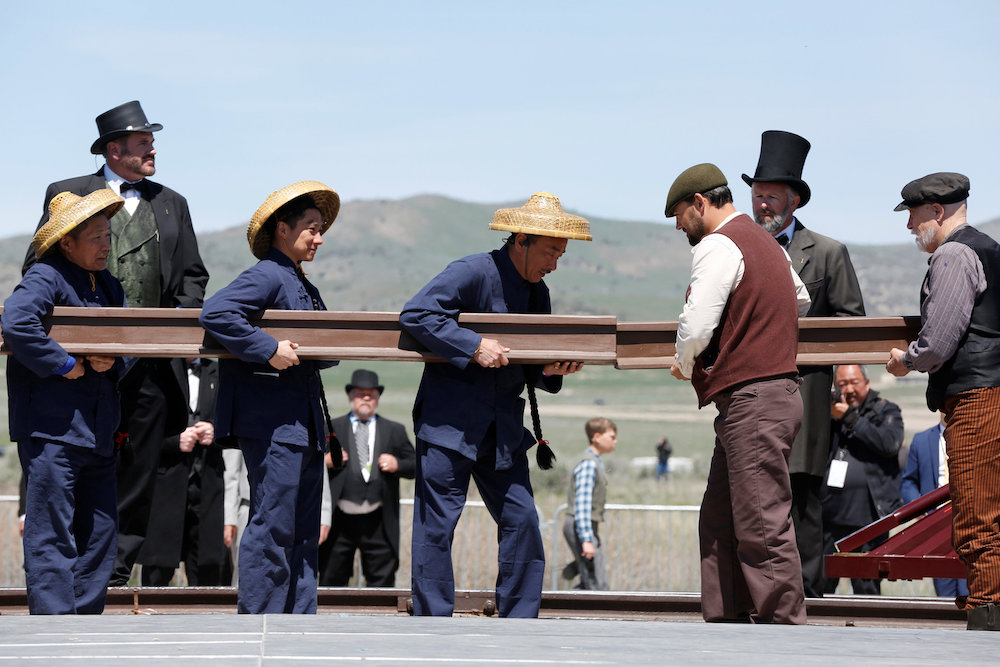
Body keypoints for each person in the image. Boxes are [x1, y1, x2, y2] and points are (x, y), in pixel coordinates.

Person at [26, 101, 209, 585]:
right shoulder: (67, 194)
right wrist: (75, 345)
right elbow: (37, 265)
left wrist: (167, 332)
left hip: (148, 360)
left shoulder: (173, 202)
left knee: (139, 465)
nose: (153, 148)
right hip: (83, 363)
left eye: (152, 140)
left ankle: (113, 569)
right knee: (79, 460)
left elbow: (192, 277)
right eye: (144, 141)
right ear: (114, 148)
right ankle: (68, 573)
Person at [399, 191, 588, 617]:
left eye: (561, 254)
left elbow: (531, 365)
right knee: (436, 526)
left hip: (502, 430)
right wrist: (472, 345)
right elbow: (416, 315)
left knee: (522, 520)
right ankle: (432, 620)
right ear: (521, 239)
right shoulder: (472, 271)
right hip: (449, 424)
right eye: (551, 252)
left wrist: (553, 371)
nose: (554, 264)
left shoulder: (539, 294)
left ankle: (519, 618)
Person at [665, 163, 811, 624]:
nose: (677, 226)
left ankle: (782, 632)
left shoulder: (718, 243)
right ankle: (728, 622)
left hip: (753, 400)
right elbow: (800, 298)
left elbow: (697, 323)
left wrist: (684, 361)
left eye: (679, 215)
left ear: (701, 203)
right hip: (766, 396)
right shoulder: (766, 242)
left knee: (761, 524)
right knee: (722, 519)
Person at [200, 180, 341, 613]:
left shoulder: (296, 279)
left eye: (320, 229)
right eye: (311, 228)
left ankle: (298, 618)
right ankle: (261, 619)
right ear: (283, 228)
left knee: (300, 528)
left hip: (301, 424)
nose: (318, 238)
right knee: (274, 522)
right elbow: (217, 312)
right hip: (275, 423)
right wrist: (269, 349)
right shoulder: (267, 274)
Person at [743, 130, 866, 598]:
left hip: (808, 394)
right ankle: (760, 595)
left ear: (794, 201)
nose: (762, 206)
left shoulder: (828, 253)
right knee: (753, 493)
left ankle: (811, 597)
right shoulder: (734, 249)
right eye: (756, 196)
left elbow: (852, 323)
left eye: (771, 197)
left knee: (802, 496)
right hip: (749, 391)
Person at [4, 190, 128, 613]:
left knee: (101, 529)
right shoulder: (46, 276)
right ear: (67, 243)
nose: (105, 245)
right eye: (95, 237)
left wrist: (110, 361)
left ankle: (86, 616)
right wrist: (64, 364)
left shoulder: (110, 284)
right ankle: (55, 623)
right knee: (52, 530)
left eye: (107, 235)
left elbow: (129, 344)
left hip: (98, 428)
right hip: (51, 428)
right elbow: (17, 322)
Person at [887, 172, 1000, 631]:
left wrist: (904, 361)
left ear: (936, 212)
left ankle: (987, 611)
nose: (909, 226)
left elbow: (937, 342)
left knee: (977, 514)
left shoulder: (954, 255)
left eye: (912, 215)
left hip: (976, 396)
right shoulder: (989, 248)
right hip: (989, 391)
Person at [319, 369, 415, 587]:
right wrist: (324, 462)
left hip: (378, 522)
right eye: (360, 393)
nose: (365, 398)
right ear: (350, 396)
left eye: (370, 394)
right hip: (338, 521)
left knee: (382, 584)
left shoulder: (394, 430)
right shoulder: (331, 428)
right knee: (330, 581)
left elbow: (417, 465)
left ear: (377, 398)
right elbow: (307, 463)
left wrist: (398, 464)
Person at [137, 358, 226, 586]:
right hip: (167, 481)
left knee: (207, 565)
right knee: (158, 566)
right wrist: (174, 440)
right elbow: (140, 425)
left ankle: (207, 619)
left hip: (207, 480)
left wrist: (216, 432)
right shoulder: (159, 368)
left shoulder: (220, 371)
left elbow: (238, 417)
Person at [820, 364, 904, 595]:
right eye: (842, 384)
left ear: (867, 382)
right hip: (830, 515)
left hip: (870, 517)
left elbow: (889, 444)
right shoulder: (828, 413)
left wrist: (849, 417)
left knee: (867, 585)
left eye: (854, 382)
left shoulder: (886, 411)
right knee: (822, 583)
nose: (849, 389)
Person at [900, 416, 970, 598]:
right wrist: (919, 508)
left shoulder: (974, 437)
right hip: (935, 524)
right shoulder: (921, 440)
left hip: (968, 521)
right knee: (944, 589)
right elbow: (908, 482)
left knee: (969, 586)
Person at [562, 417, 617, 591]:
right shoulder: (589, 465)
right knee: (596, 583)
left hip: (583, 526)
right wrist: (586, 539)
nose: (615, 441)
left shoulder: (594, 462)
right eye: (612, 437)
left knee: (591, 579)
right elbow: (582, 505)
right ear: (597, 437)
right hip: (581, 525)